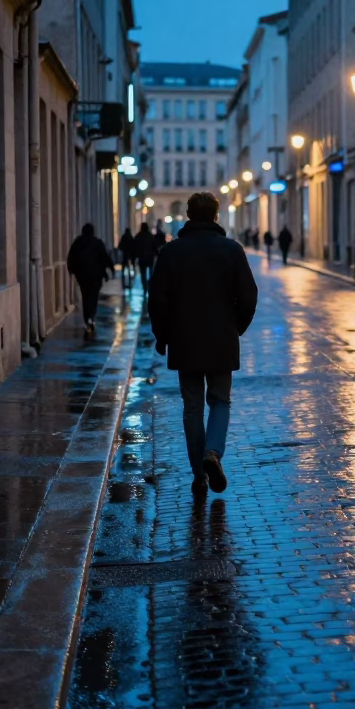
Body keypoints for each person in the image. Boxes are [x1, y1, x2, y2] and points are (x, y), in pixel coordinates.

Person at [149, 192, 258, 496]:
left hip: (184, 341)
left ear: (187, 215)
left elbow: (157, 300)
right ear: (215, 216)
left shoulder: (172, 252)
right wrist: (236, 327)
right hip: (222, 339)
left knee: (192, 407)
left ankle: (199, 474)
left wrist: (162, 335)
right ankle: (213, 452)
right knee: (220, 401)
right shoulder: (231, 250)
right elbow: (249, 295)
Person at [66, 223, 115, 339]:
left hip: (82, 276)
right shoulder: (97, 243)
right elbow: (105, 257)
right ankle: (91, 318)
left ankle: (87, 318)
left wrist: (71, 270)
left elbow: (71, 257)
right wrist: (110, 270)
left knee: (85, 297)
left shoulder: (78, 242)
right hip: (95, 277)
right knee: (93, 297)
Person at [134, 221, 157, 298]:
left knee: (143, 274)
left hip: (142, 258)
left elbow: (135, 247)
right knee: (151, 273)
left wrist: (135, 256)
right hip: (150, 258)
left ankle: (145, 288)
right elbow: (154, 246)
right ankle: (149, 286)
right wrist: (157, 254)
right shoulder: (150, 236)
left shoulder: (138, 236)